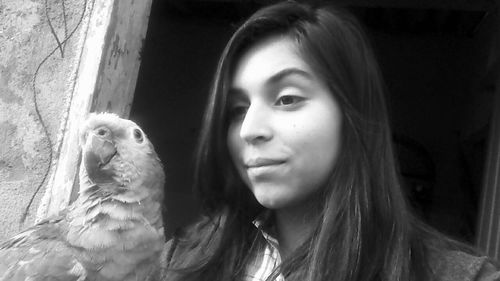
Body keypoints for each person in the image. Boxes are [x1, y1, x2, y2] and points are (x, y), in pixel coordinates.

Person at [159, 1, 500, 281]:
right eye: (237, 109)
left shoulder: (460, 276)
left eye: (287, 98)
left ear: (351, 115)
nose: (249, 129)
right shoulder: (179, 260)